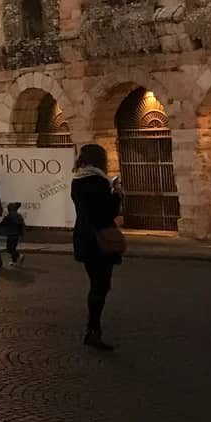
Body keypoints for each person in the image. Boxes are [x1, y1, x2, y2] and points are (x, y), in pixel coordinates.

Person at [72, 144, 124, 350]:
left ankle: (93, 329)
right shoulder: (98, 181)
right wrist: (116, 194)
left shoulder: (77, 180)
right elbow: (107, 212)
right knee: (100, 286)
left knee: (96, 283)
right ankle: (93, 330)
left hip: (84, 236)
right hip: (99, 238)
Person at [0, 201, 26, 267]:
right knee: (12, 248)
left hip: (11, 234)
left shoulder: (9, 216)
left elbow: (3, 223)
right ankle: (14, 261)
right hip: (16, 235)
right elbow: (22, 225)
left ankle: (19, 256)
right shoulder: (19, 216)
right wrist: (22, 233)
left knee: (9, 249)